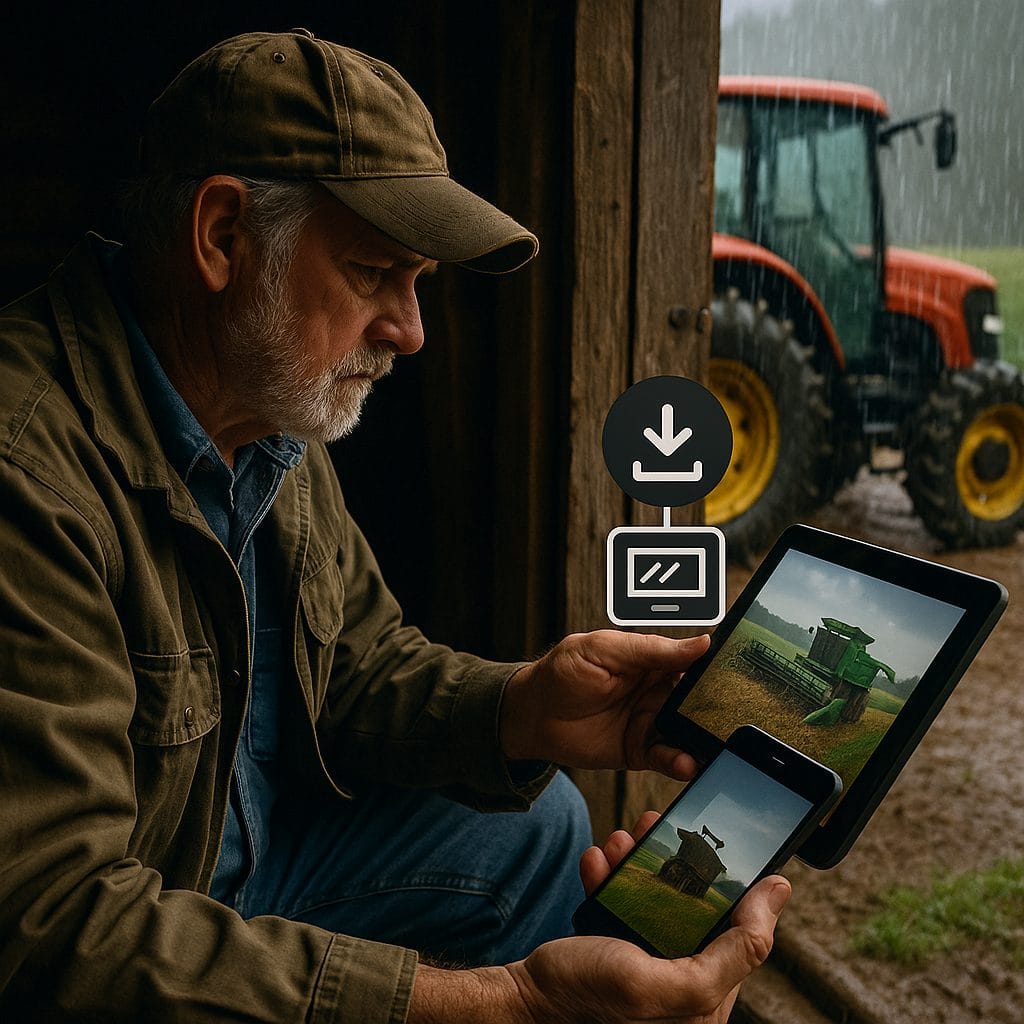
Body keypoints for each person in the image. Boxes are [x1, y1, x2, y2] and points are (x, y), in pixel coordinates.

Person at [0, 28, 790, 1023]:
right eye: (374, 271)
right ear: (223, 236)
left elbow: (352, 664)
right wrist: (509, 1004)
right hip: (128, 915)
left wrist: (521, 708)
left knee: (541, 817)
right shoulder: (29, 477)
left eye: (417, 282)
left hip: (244, 862)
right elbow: (49, 927)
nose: (411, 331)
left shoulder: (267, 413)